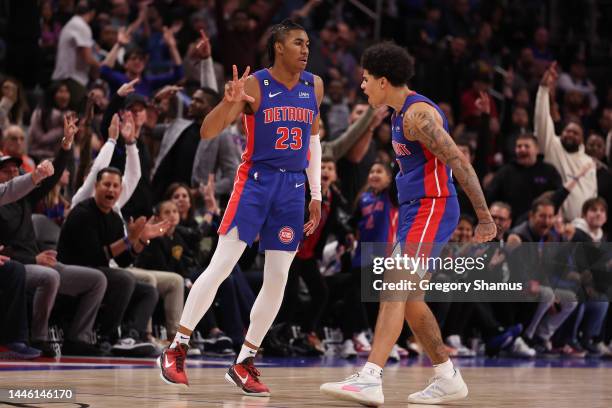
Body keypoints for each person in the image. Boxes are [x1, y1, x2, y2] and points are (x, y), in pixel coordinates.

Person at [320, 42, 496, 405]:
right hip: (417, 211)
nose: (363, 86)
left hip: (432, 208)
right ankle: (447, 376)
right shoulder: (400, 113)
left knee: (393, 286)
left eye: (366, 80)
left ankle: (370, 376)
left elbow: (459, 163)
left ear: (384, 81)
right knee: (412, 300)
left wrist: (484, 216)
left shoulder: (418, 116)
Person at [158, 19, 323, 396]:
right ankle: (176, 347)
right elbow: (208, 131)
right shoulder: (255, 84)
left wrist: (315, 195)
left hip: (292, 188)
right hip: (255, 183)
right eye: (298, 43)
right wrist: (229, 102)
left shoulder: (314, 85)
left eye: (308, 44)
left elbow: (314, 140)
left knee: (279, 278)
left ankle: (245, 359)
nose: (305, 50)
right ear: (278, 46)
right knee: (221, 266)